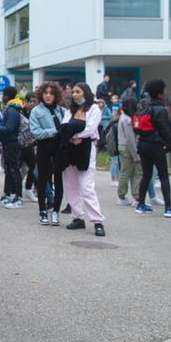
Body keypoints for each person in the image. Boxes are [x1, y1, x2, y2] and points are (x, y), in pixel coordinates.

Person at [59, 83, 106, 236]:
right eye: (73, 92)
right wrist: (73, 137)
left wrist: (78, 136)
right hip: (70, 148)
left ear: (85, 92)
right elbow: (64, 126)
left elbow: (91, 128)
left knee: (87, 186)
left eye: (77, 92)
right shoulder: (70, 110)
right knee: (70, 185)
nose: (74, 94)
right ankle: (78, 217)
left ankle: (97, 221)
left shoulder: (93, 109)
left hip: (86, 148)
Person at [134, 79, 171, 218]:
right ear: (160, 94)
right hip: (156, 146)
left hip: (142, 144)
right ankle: (169, 208)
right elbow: (165, 131)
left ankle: (141, 205)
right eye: (163, 91)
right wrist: (169, 142)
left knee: (146, 175)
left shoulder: (144, 108)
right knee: (164, 176)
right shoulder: (161, 110)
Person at [29, 82, 66, 226]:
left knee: (59, 180)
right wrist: (54, 132)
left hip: (59, 148)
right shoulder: (36, 111)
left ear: (56, 95)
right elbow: (35, 132)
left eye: (51, 93)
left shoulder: (62, 111)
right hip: (44, 147)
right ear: (41, 95)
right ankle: (42, 211)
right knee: (43, 180)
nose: (48, 95)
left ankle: (56, 211)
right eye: (46, 93)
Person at [0, 86, 23, 209]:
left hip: (12, 144)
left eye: (3, 95)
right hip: (8, 144)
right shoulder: (12, 108)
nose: (2, 97)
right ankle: (7, 195)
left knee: (14, 170)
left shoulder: (12, 110)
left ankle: (18, 198)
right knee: (9, 170)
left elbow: (9, 129)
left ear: (6, 96)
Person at [116, 98, 143, 206]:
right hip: (128, 147)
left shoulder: (122, 117)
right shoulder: (127, 119)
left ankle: (123, 196)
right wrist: (136, 155)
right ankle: (135, 197)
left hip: (123, 147)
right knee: (136, 172)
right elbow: (130, 139)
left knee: (125, 172)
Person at [19, 94, 38, 202]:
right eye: (30, 101)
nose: (32, 104)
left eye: (35, 102)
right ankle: (14, 192)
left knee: (33, 167)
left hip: (32, 144)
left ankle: (28, 188)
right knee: (17, 168)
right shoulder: (21, 113)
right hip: (21, 145)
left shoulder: (37, 113)